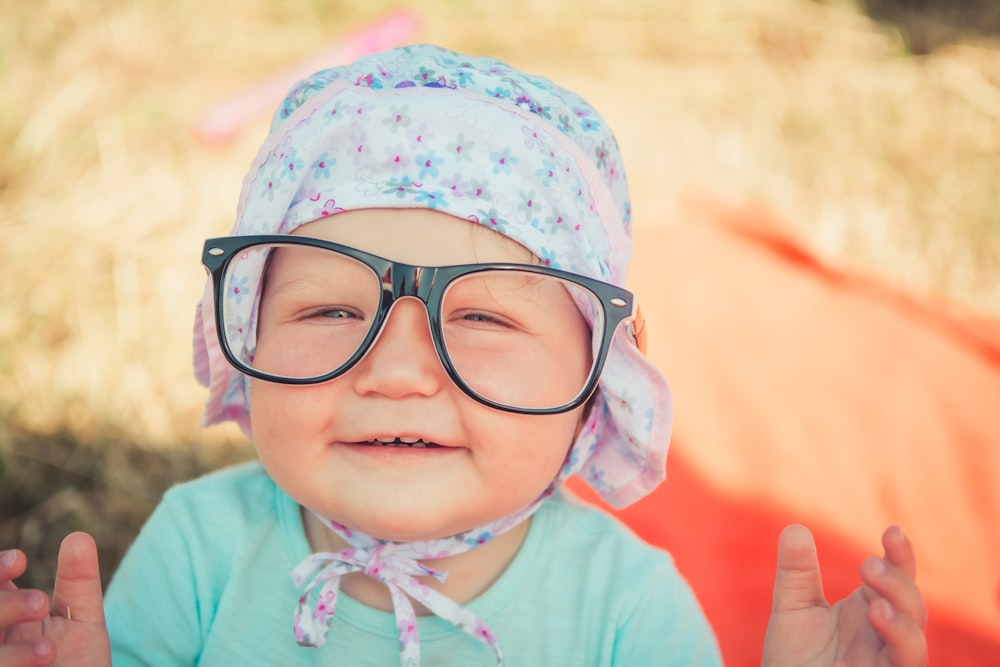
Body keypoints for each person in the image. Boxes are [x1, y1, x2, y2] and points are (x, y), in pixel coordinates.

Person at [0, 44, 926, 667]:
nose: (397, 372)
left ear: (593, 385)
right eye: (329, 307)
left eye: (480, 319)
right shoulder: (197, 550)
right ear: (245, 339)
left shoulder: (627, 610)